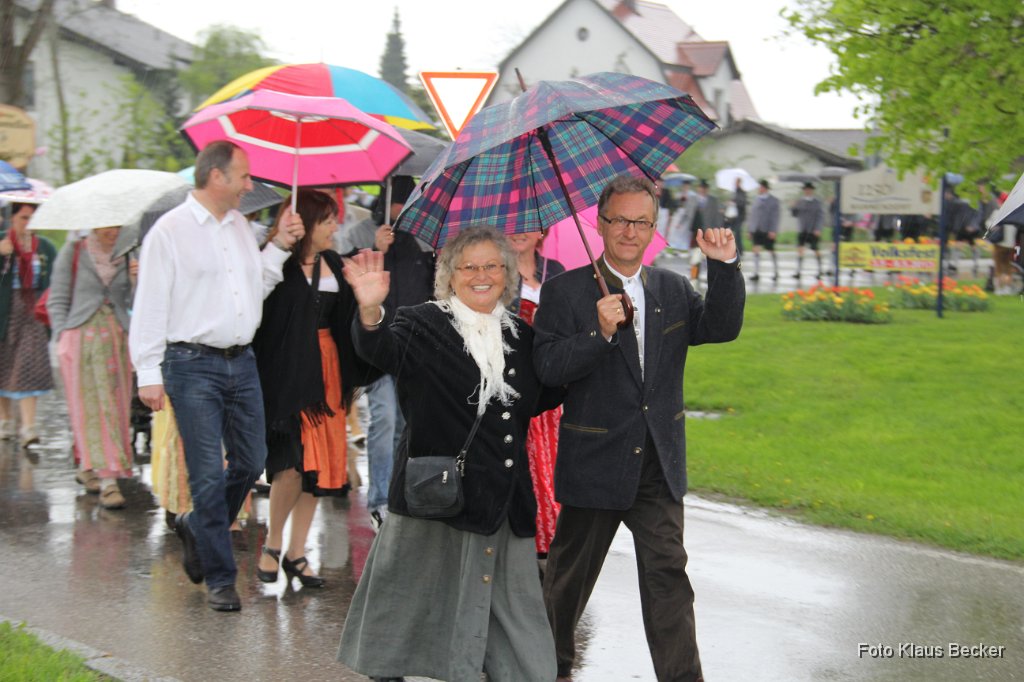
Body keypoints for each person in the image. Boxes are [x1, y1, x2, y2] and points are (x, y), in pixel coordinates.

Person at [533, 175, 745, 682]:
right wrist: (597, 333)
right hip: (595, 461)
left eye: (641, 221)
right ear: (600, 224)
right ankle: (544, 667)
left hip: (657, 461)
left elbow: (721, 327)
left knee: (668, 574)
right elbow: (548, 369)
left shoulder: (671, 288)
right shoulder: (564, 291)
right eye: (620, 220)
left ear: (655, 227)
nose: (630, 231)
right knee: (566, 584)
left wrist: (724, 267)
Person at [337, 227, 562, 682]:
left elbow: (549, 391)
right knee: (407, 607)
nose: (482, 276)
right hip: (434, 497)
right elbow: (378, 351)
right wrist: (368, 309)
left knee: (515, 625)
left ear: (508, 273)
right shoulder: (421, 323)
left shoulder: (522, 336)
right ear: (449, 274)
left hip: (503, 500)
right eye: (469, 266)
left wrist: (596, 333)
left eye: (492, 266)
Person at [129, 140, 305, 612]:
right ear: (216, 177)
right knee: (207, 475)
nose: (251, 185)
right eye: (244, 176)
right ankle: (220, 579)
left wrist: (280, 247)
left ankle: (196, 527)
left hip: (241, 360)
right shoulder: (170, 232)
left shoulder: (240, 229)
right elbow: (150, 305)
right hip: (190, 365)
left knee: (251, 461)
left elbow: (255, 289)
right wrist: (148, 371)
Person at [252, 190, 379, 588]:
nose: (334, 227)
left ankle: (297, 552)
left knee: (317, 471)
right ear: (305, 221)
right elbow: (264, 323)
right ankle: (273, 544)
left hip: (328, 371)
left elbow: (349, 321)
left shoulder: (335, 264)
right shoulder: (278, 263)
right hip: (290, 373)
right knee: (290, 466)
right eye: (327, 220)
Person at [338, 176, 435, 531]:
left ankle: (399, 495)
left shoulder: (425, 237)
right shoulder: (361, 231)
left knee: (406, 427)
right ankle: (379, 499)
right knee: (385, 422)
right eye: (397, 207)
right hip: (378, 347)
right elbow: (341, 271)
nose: (401, 215)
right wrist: (373, 246)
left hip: (416, 347)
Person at [47, 227, 135, 509]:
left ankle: (92, 466)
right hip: (80, 339)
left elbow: (136, 303)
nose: (113, 231)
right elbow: (57, 298)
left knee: (115, 408)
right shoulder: (73, 251)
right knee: (88, 408)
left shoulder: (130, 251)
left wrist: (136, 281)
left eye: (117, 226)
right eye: (107, 226)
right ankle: (108, 480)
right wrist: (61, 336)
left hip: (118, 338)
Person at [508, 229, 565, 561]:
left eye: (529, 224)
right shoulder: (498, 270)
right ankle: (527, 534)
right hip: (517, 380)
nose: (520, 232)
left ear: (542, 231)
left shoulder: (555, 271)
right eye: (515, 224)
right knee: (524, 459)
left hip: (552, 380)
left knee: (552, 460)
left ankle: (552, 533)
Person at [0, 202, 55, 448]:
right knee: (4, 366)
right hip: (5, 312)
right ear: (11, 218)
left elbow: (54, 281)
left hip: (33, 311)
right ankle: (5, 420)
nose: (28, 223)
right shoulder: (3, 242)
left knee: (27, 364)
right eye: (23, 218)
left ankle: (29, 426)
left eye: (33, 217)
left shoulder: (44, 247)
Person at [748, 179, 780, 282]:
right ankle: (756, 273)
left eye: (761, 187)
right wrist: (750, 230)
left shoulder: (774, 201)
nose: (759, 189)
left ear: (765, 188)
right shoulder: (756, 199)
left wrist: (773, 230)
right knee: (756, 249)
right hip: (757, 229)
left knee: (771, 250)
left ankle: (775, 271)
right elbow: (752, 216)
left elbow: (775, 217)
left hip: (768, 229)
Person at [792, 182, 826, 279]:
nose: (807, 191)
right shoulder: (800, 201)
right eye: (806, 189)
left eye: (809, 189)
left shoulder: (817, 202)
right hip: (802, 229)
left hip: (813, 229)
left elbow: (820, 216)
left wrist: (818, 228)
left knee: (815, 249)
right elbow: (795, 214)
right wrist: (793, 206)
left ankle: (820, 270)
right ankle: (798, 271)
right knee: (800, 250)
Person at [693, 180, 722, 282]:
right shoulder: (693, 199)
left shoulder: (713, 200)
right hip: (695, 233)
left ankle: (709, 275)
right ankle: (694, 276)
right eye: (701, 187)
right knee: (695, 256)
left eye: (704, 188)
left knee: (707, 256)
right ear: (698, 188)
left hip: (709, 231)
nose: (702, 190)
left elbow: (717, 217)